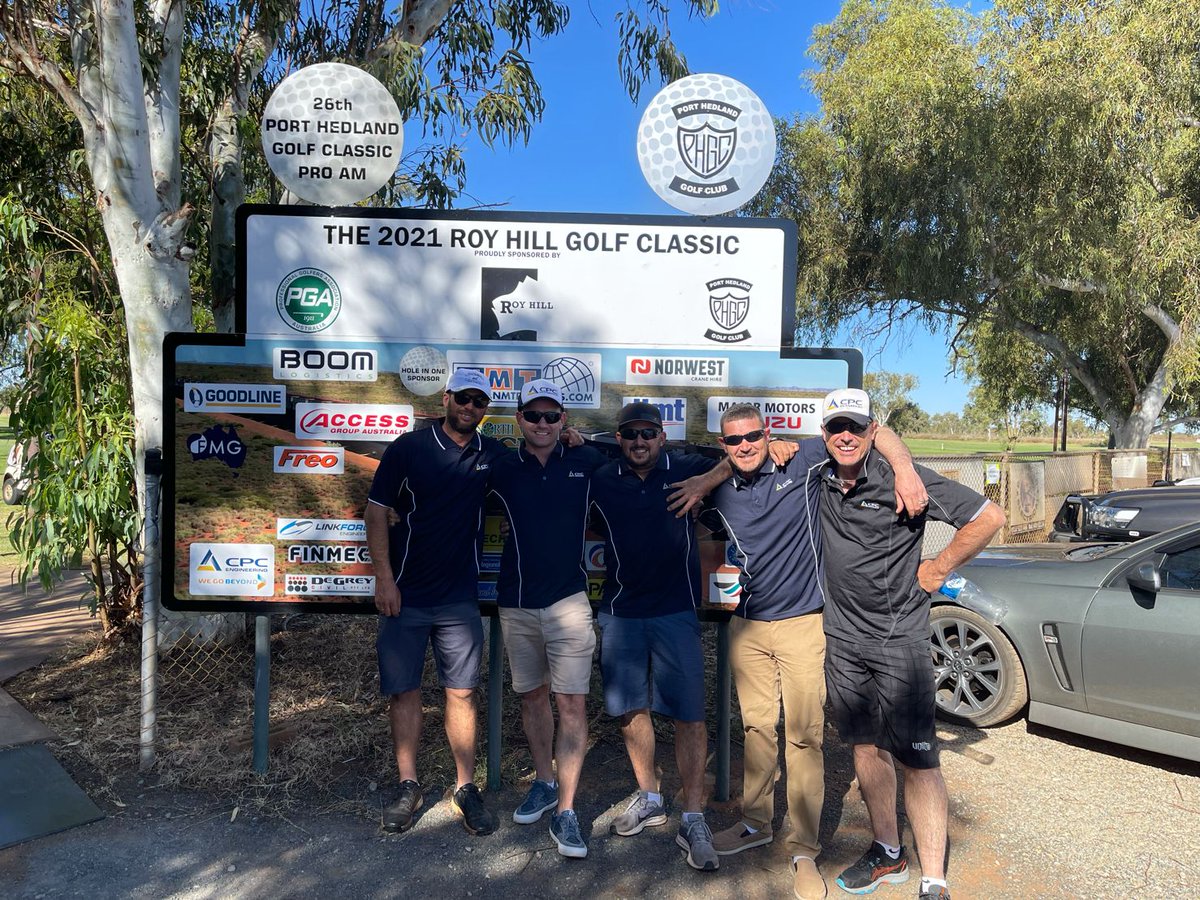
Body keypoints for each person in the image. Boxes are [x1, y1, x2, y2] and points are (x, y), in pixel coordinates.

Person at [707, 402, 927, 900]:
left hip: (805, 624)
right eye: (732, 440)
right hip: (748, 626)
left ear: (769, 435)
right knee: (757, 728)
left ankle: (802, 847)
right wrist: (706, 480)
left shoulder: (803, 462)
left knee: (804, 735)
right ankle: (755, 822)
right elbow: (702, 502)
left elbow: (879, 432)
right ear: (722, 444)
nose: (744, 446)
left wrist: (907, 469)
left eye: (753, 437)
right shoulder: (718, 489)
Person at [816, 389, 1004, 900]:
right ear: (824, 435)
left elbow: (989, 517)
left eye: (856, 425)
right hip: (844, 640)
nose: (845, 435)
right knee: (865, 747)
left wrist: (939, 568)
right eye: (836, 428)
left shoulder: (904, 479)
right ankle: (888, 852)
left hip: (899, 640)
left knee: (919, 760)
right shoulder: (818, 477)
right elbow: (755, 453)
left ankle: (934, 879)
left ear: (873, 429)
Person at [588, 401, 731, 872]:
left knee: (689, 716)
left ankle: (693, 814)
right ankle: (649, 796)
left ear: (662, 437)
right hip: (620, 611)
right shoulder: (603, 476)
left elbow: (741, 458)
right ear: (619, 439)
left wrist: (705, 483)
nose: (639, 442)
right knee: (631, 710)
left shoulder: (686, 466)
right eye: (630, 435)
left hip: (676, 612)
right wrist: (568, 438)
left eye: (648, 433)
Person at [364, 369, 505, 838]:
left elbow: (539, 466)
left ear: (486, 408)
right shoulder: (409, 448)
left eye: (479, 401)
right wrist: (384, 578)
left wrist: (566, 436)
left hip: (459, 599)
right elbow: (376, 510)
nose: (469, 407)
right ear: (446, 398)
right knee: (404, 692)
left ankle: (465, 788)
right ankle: (409, 785)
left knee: (462, 693)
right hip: (406, 595)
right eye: (462, 398)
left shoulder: (492, 454)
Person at [485, 379, 606, 859]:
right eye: (533, 416)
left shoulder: (584, 461)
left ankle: (567, 811)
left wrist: (588, 442)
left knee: (571, 705)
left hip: (569, 603)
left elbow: (638, 456)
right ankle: (544, 781)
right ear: (519, 420)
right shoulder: (501, 466)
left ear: (564, 421)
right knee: (532, 697)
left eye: (551, 416)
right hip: (514, 602)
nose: (542, 424)